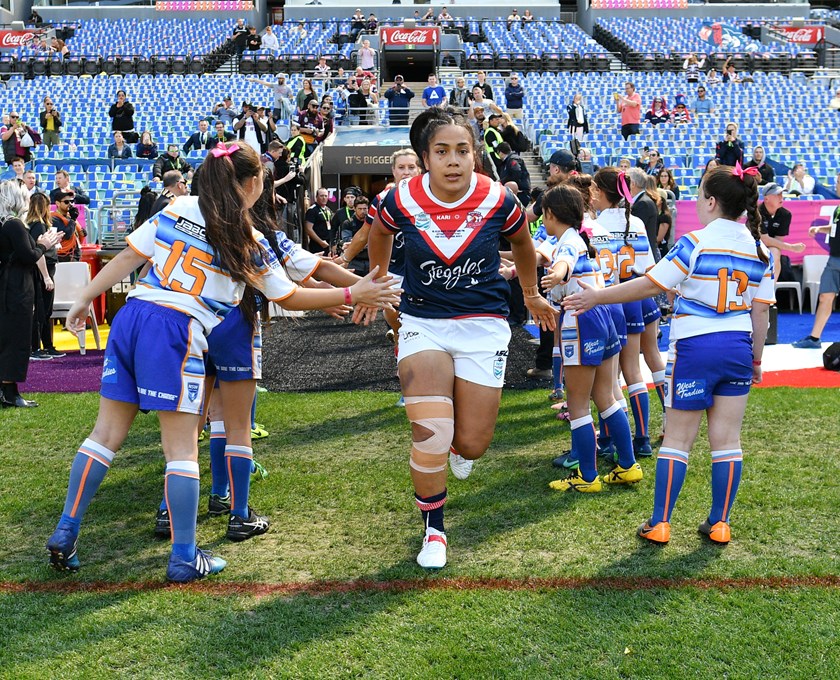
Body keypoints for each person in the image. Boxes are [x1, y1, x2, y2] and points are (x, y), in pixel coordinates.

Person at [44, 142, 399, 581]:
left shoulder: (179, 206)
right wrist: (351, 293)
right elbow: (287, 294)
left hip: (133, 317)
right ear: (251, 184)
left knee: (104, 435)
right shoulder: (243, 234)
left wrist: (84, 296)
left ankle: (66, 529)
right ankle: (184, 556)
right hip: (177, 327)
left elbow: (131, 256)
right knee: (181, 448)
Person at [366, 107, 556, 569]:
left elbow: (526, 246)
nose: (453, 160)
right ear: (426, 158)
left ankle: (458, 443)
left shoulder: (499, 200)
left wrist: (530, 294)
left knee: (470, 444)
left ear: (475, 156)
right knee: (431, 433)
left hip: (483, 326)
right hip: (423, 322)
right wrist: (379, 282)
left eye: (462, 151)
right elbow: (378, 234)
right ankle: (434, 531)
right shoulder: (400, 200)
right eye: (442, 151)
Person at [563, 163, 774, 546]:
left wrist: (596, 295)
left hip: (696, 346)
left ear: (711, 201)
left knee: (677, 440)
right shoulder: (760, 249)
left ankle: (660, 524)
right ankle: (720, 523)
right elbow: (760, 312)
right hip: (738, 346)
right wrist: (756, 360)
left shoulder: (695, 242)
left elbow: (650, 284)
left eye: (698, 195)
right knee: (727, 440)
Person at [539, 183, 640, 492]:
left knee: (578, 403)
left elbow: (564, 262)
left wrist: (557, 274)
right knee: (606, 396)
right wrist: (515, 269)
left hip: (581, 320)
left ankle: (587, 476)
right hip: (603, 315)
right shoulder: (575, 236)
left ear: (551, 214)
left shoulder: (567, 241)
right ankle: (628, 465)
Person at [591, 168, 659, 457]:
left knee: (607, 377)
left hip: (608, 299)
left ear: (599, 192)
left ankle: (608, 438)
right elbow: (647, 267)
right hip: (635, 294)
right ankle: (642, 438)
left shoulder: (593, 226)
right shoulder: (637, 222)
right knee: (634, 371)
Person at [0, 181, 62, 407]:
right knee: (17, 338)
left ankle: (5, 390)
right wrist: (44, 245)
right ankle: (10, 392)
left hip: (8, 286)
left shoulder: (5, 224)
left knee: (6, 338)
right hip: (17, 287)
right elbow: (28, 256)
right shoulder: (14, 224)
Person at [792, 202, 840, 349]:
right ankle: (814, 338)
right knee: (825, 296)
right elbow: (836, 229)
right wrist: (821, 229)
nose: (837, 185)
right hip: (834, 258)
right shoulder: (838, 208)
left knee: (826, 297)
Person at [27, 192, 63, 360]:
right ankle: (38, 347)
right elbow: (38, 252)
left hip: (43, 270)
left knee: (44, 311)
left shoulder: (33, 224)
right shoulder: (39, 225)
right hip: (43, 271)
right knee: (42, 311)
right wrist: (46, 276)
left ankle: (45, 345)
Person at [758, 182, 805, 281]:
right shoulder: (757, 213)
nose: (781, 197)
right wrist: (791, 247)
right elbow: (764, 239)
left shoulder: (785, 214)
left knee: (775, 251)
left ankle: (771, 288)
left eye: (781, 194)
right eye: (777, 195)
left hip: (770, 250)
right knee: (774, 251)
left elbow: (778, 242)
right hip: (753, 247)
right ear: (766, 198)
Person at [339, 195, 371, 275]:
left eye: (365, 209)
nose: (362, 211)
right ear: (354, 209)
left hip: (369, 261)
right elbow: (346, 240)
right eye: (360, 209)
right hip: (354, 261)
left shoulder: (372, 223)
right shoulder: (348, 223)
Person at [51, 191, 85, 263]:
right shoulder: (54, 218)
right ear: (58, 203)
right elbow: (66, 235)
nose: (70, 204)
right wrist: (73, 220)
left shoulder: (70, 217)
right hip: (63, 256)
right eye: (66, 202)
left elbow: (83, 234)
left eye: (72, 201)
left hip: (75, 254)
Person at [497, 142, 531, 208]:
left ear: (500, 152)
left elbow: (516, 172)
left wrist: (503, 182)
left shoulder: (513, 160)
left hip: (520, 193)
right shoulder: (507, 161)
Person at [304, 187, 334, 255]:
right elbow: (308, 229)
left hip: (328, 244)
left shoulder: (328, 209)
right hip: (317, 245)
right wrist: (320, 242)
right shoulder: (312, 210)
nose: (324, 198)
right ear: (316, 197)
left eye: (326, 196)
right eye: (321, 196)